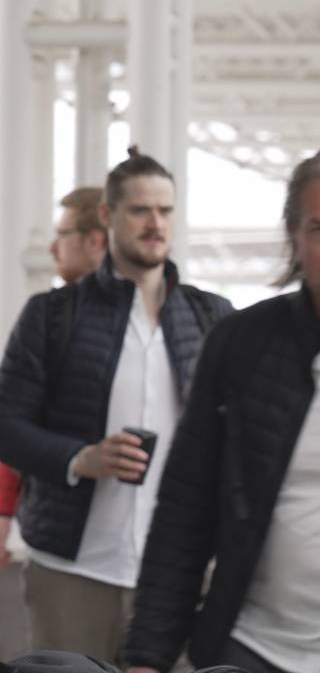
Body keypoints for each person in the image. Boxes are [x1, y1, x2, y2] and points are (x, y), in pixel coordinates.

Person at [0, 149, 233, 663]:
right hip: (73, 572)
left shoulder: (213, 318)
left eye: (165, 211)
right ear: (107, 217)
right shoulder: (53, 315)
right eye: (140, 210)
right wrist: (80, 459)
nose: (155, 224)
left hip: (178, 577)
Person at [122, 151, 320, 673]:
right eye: (319, 228)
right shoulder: (242, 343)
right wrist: (147, 654)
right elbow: (186, 508)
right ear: (294, 236)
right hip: (253, 647)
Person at [0, 186, 106, 570]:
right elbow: (15, 425)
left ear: (95, 241)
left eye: (63, 235)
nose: (53, 249)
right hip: (60, 550)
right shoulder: (49, 322)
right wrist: (5, 511)